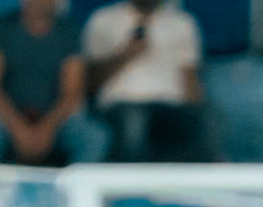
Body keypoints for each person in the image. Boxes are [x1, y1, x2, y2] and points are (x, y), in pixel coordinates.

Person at [0, 0, 107, 166]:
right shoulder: (0, 28)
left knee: (95, 137)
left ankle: (72, 188)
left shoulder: (69, 30)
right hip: (8, 117)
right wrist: (19, 129)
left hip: (55, 119)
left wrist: (47, 128)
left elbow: (72, 93)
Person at [83, 0, 209, 163]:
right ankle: (131, 186)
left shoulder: (182, 22)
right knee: (134, 125)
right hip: (123, 102)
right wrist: (126, 55)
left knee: (206, 121)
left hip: (171, 104)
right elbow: (90, 80)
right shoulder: (103, 19)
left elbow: (190, 77)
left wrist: (199, 112)